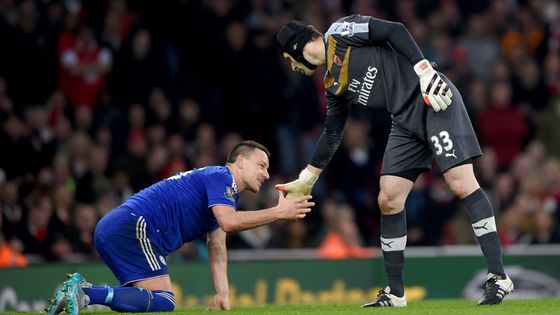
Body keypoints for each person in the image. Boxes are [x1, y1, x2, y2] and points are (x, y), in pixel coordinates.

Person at [275, 15, 513, 307]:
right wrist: (306, 179)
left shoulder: (340, 32)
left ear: (298, 46)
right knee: (388, 198)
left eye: (289, 58)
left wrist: (424, 70)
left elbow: (393, 31)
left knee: (460, 182)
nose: (292, 66)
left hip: (431, 97)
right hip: (403, 120)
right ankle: (396, 293)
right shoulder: (333, 83)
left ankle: (499, 276)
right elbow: (333, 133)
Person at [45, 140, 314, 314]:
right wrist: (279, 213)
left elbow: (217, 243)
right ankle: (83, 293)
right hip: (135, 226)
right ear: (240, 162)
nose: (266, 174)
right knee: (163, 301)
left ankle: (76, 293)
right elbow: (229, 223)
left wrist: (222, 294)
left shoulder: (224, 192)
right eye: (261, 165)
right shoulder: (221, 177)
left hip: (119, 227)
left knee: (151, 302)